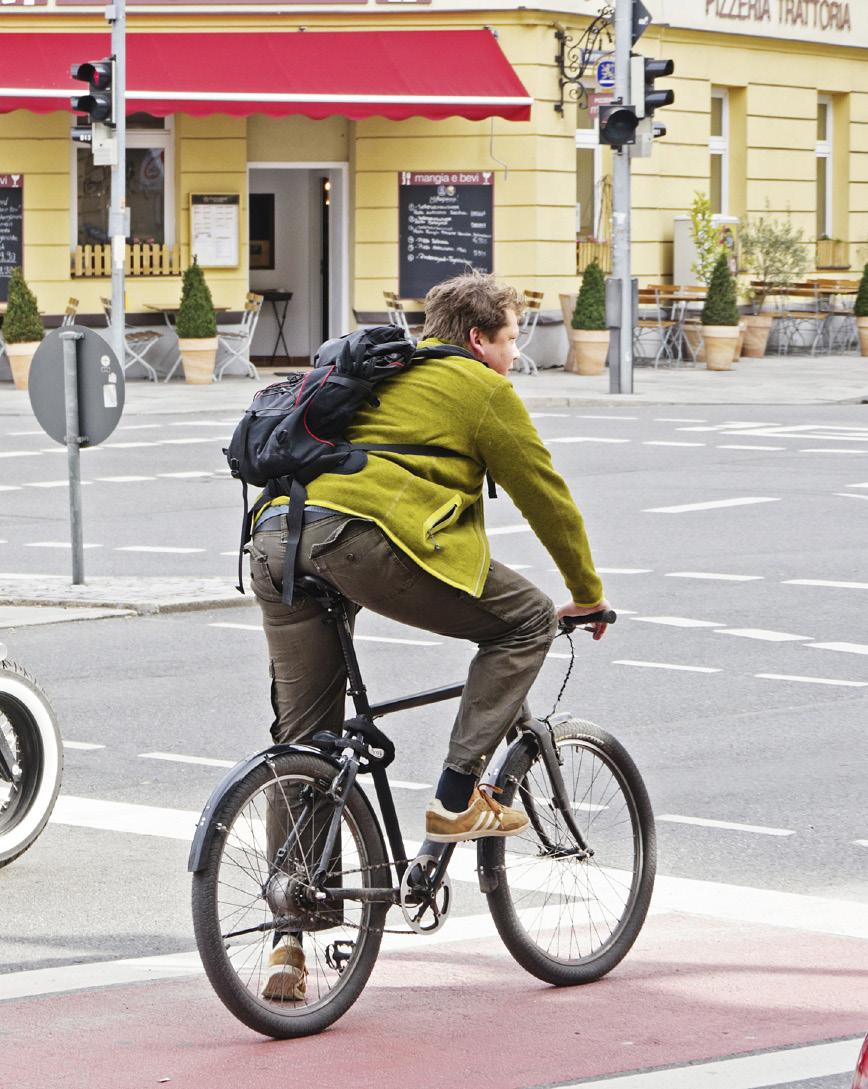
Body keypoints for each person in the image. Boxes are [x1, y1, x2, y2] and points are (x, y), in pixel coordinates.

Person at [246, 272, 610, 1001]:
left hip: (276, 540)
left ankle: (290, 933)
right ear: (479, 339)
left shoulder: (379, 374)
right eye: (511, 340)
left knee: (305, 744)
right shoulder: (482, 390)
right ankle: (454, 796)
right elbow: (547, 496)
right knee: (528, 619)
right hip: (363, 542)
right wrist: (587, 593)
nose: (515, 356)